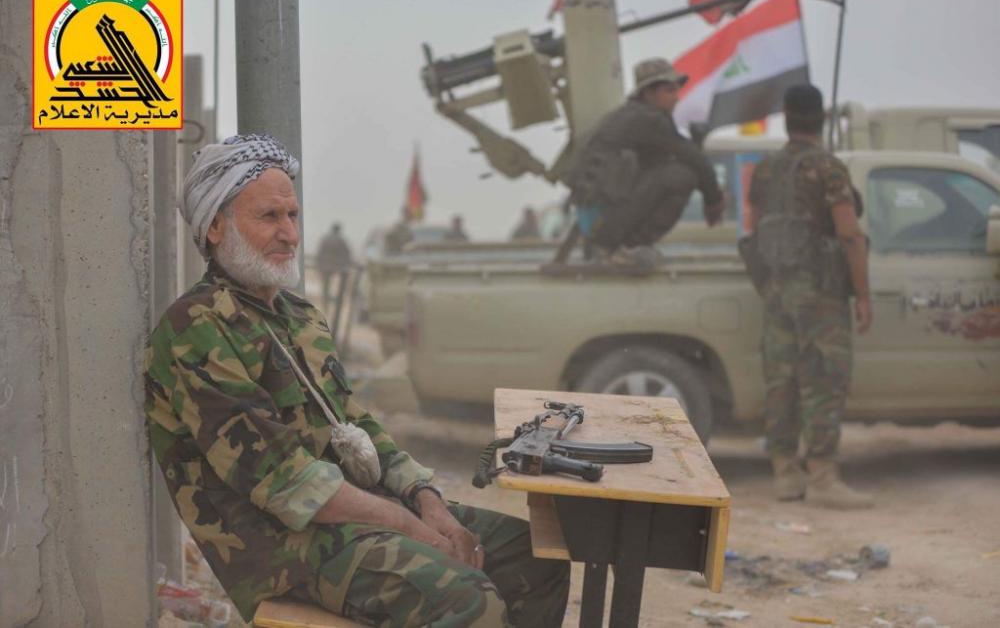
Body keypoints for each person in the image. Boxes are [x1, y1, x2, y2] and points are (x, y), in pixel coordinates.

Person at [146, 134, 569, 626]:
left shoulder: (298, 316)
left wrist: (428, 503)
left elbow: (355, 423)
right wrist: (412, 527)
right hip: (282, 545)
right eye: (269, 217)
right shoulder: (196, 328)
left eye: (293, 215)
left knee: (535, 557)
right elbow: (284, 482)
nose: (290, 234)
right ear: (215, 227)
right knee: (468, 600)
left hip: (356, 513)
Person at [745, 85, 874, 510]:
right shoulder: (828, 167)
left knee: (781, 379)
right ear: (821, 118)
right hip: (820, 291)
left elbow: (754, 230)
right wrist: (863, 295)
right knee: (823, 379)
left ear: (786, 117)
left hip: (776, 290)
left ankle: (785, 473)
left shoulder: (765, 169)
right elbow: (849, 235)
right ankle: (822, 476)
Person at [568, 57, 725, 265]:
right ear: (648, 93)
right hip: (604, 223)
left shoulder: (631, 116)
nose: (676, 98)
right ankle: (629, 247)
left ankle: (617, 246)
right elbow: (693, 159)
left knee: (671, 170)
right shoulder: (648, 119)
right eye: (669, 91)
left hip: (599, 223)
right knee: (682, 176)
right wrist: (714, 200)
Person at [315, 222, 353, 311]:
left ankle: (326, 305)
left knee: (326, 287)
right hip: (336, 267)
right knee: (340, 287)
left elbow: (320, 253)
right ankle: (336, 305)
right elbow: (347, 253)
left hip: (324, 266)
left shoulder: (325, 239)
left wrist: (318, 265)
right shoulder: (341, 240)